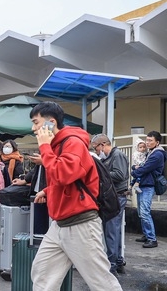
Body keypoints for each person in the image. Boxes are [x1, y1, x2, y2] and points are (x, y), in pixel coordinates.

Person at [29, 101, 121, 290]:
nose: (33, 128)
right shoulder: (60, 144)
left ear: (51, 123)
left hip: (81, 223)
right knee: (42, 273)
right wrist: (47, 191)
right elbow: (67, 178)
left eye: (36, 122)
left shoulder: (72, 142)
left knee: (101, 281)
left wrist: (45, 147)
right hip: (62, 224)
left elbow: (63, 174)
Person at [91, 134, 129, 276]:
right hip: (115, 197)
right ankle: (117, 262)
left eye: (96, 148)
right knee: (114, 231)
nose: (96, 151)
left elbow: (120, 175)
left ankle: (112, 266)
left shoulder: (117, 155)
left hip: (117, 197)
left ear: (103, 144)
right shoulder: (112, 156)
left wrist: (101, 172)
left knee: (111, 231)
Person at [131, 131, 165, 249]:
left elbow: (144, 168)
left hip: (148, 185)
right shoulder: (150, 152)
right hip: (144, 184)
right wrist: (135, 168)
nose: (147, 142)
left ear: (157, 142)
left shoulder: (157, 154)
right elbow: (139, 166)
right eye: (147, 140)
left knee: (145, 212)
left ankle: (152, 239)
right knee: (141, 212)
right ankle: (146, 234)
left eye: (150, 140)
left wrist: (133, 172)